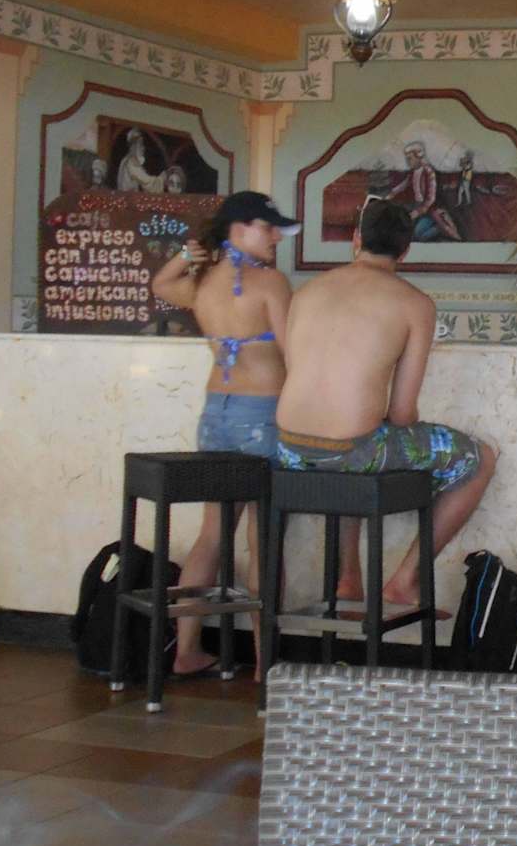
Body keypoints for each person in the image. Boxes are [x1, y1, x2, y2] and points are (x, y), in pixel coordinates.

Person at [275, 198, 497, 608]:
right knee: (479, 459)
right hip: (352, 451)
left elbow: (296, 372)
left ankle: (348, 579)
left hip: (288, 448)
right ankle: (404, 581)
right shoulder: (414, 304)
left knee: (357, 446)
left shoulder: (305, 292)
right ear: (406, 250)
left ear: (356, 239)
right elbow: (402, 413)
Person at [146, 189, 297, 677]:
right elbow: (294, 353)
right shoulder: (271, 283)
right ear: (240, 228)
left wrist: (186, 255)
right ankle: (265, 662)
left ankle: (186, 650)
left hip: (216, 413)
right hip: (264, 414)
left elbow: (161, 284)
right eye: (268, 227)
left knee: (212, 534)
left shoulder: (204, 281)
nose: (276, 237)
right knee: (263, 538)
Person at [386, 139, 462, 242]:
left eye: (410, 158)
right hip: (417, 205)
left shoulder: (429, 172)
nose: (408, 161)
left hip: (430, 209)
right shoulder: (413, 172)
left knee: (418, 234)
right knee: (404, 226)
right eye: (407, 159)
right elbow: (404, 184)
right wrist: (392, 193)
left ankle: (439, 228)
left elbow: (431, 199)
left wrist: (417, 212)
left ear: (419, 157)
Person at [115, 127, 163, 192]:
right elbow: (145, 180)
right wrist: (161, 179)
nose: (143, 148)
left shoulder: (128, 160)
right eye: (141, 144)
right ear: (134, 146)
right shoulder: (131, 161)